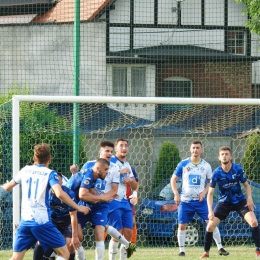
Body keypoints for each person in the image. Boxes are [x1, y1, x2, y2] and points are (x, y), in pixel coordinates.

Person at [0, 143, 90, 260]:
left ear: (34, 158)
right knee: (65, 254)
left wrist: (4, 184)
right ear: (50, 159)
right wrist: (78, 207)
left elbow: (7, 187)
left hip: (25, 222)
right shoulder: (50, 173)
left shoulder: (25, 170)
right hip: (41, 222)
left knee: (16, 257)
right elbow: (59, 193)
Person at [171, 140, 228, 257]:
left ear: (201, 150)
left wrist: (204, 192)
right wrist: (176, 194)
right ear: (190, 149)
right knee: (182, 225)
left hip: (201, 202)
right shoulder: (183, 164)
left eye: (197, 148)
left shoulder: (206, 166)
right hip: (185, 201)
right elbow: (173, 179)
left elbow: (210, 182)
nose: (195, 150)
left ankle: (220, 247)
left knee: (211, 222)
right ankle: (182, 251)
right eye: (193, 148)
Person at [200, 146, 260, 258]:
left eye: (227, 154)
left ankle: (258, 250)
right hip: (224, 203)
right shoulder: (216, 173)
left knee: (254, 222)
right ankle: (206, 253)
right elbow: (210, 193)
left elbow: (246, 185)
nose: (224, 156)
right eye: (222, 154)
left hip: (239, 201)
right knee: (209, 227)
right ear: (219, 157)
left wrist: (250, 198)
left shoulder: (238, 169)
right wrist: (210, 211)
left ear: (231, 156)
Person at [78, 157, 136, 260]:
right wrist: (101, 197)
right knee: (75, 237)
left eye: (110, 151)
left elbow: (94, 190)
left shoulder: (111, 170)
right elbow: (82, 194)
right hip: (79, 205)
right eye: (105, 170)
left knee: (102, 230)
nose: (107, 172)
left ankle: (127, 245)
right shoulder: (89, 169)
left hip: (102, 204)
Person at [33, 172, 85, 260]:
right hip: (51, 220)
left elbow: (73, 216)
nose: (55, 184)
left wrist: (75, 236)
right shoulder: (44, 194)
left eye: (58, 182)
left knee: (70, 244)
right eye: (54, 182)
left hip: (67, 220)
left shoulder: (69, 194)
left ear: (61, 183)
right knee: (41, 242)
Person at [107, 138, 138, 260]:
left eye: (126, 145)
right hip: (113, 200)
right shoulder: (111, 161)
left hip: (125, 201)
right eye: (121, 146)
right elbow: (105, 176)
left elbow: (135, 186)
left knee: (129, 232)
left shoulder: (127, 164)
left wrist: (131, 180)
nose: (124, 148)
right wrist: (120, 172)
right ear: (116, 148)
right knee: (117, 232)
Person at [126, 166, 139, 245]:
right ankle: (101, 242)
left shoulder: (130, 168)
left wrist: (135, 194)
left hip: (128, 200)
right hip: (114, 200)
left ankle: (132, 244)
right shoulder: (112, 167)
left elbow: (136, 182)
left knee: (132, 222)